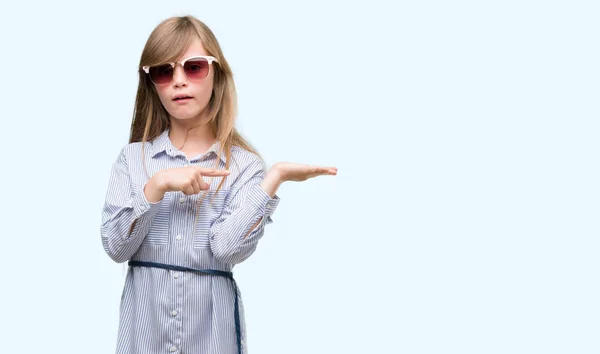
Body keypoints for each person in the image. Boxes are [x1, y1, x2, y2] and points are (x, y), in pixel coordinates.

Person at [100, 15, 337, 354]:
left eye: (194, 67)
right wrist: (157, 185)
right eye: (164, 71)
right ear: (151, 82)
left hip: (211, 334)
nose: (179, 81)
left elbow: (227, 250)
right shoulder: (133, 159)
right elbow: (116, 248)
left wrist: (274, 178)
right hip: (145, 334)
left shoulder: (243, 166)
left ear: (217, 74)